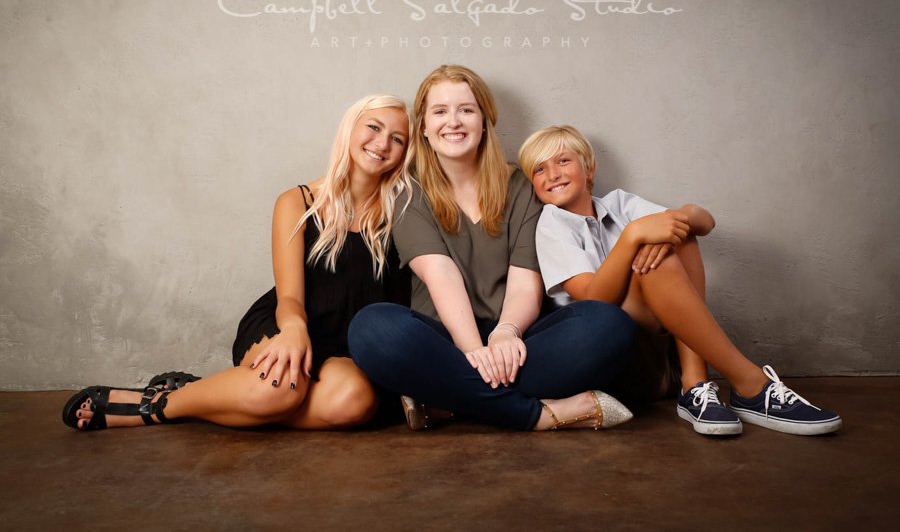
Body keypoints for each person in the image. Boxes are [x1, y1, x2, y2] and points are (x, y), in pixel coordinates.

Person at [63, 94, 412, 431]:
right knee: (277, 387)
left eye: (397, 138)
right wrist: (293, 330)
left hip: (350, 349)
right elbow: (289, 296)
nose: (382, 143)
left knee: (354, 402)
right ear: (350, 129)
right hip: (290, 322)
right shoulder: (296, 201)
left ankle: (217, 397)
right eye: (374, 127)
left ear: (404, 153)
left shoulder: (407, 215)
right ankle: (156, 407)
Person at [348, 66, 636, 432]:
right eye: (440, 111)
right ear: (423, 125)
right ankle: (541, 415)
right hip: (443, 343)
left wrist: (506, 332)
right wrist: (473, 351)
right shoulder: (407, 192)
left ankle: (448, 401)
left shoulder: (520, 185)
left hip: (518, 344)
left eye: (466, 110)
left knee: (609, 325)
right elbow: (441, 275)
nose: (453, 121)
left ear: (484, 120)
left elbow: (524, 280)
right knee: (371, 329)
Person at [517, 124, 842, 436]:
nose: (553, 174)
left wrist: (680, 219)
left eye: (563, 161)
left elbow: (705, 222)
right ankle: (751, 385)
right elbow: (594, 302)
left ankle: (695, 384)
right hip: (614, 361)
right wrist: (634, 236)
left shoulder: (618, 204)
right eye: (539, 170)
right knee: (656, 255)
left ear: (589, 169)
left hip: (660, 355)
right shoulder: (551, 225)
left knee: (679, 237)